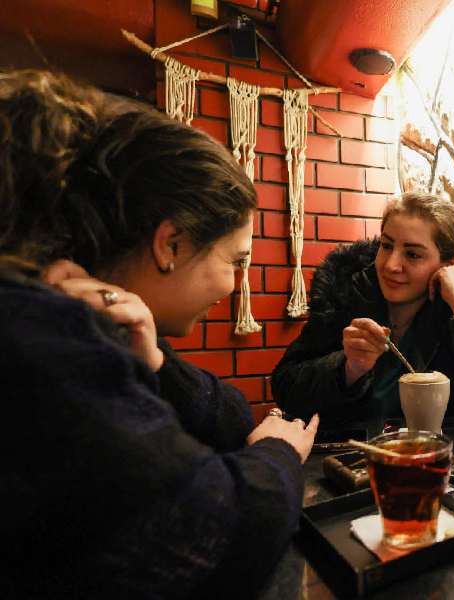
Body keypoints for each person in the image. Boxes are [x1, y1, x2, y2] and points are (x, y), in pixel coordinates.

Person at [0, 69, 318, 598]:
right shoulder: (39, 335)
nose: (236, 283)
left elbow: (233, 415)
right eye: (236, 261)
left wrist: (158, 363)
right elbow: (223, 535)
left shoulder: (92, 324)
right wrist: (280, 453)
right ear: (170, 244)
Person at [272, 192, 454, 427]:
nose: (391, 265)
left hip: (434, 464)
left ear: (449, 265)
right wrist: (348, 368)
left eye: (413, 255)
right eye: (386, 246)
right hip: (350, 463)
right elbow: (285, 389)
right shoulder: (345, 296)